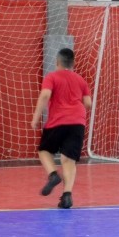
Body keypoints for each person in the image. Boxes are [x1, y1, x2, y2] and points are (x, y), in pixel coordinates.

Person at [31, 48, 91, 209]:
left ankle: (52, 175)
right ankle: (67, 196)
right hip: (77, 122)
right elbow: (88, 103)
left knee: (44, 150)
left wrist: (36, 117)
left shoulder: (51, 77)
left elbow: (45, 95)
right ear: (73, 63)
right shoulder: (80, 80)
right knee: (68, 160)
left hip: (57, 121)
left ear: (57, 62)